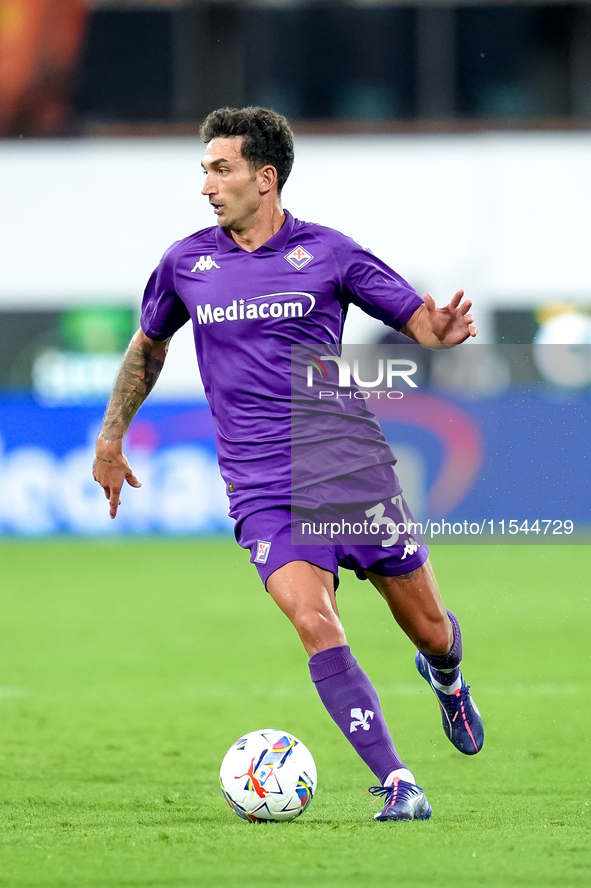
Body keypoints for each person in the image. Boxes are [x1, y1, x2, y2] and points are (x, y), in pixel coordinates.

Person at [93, 106, 484, 822]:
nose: (206, 186)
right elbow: (149, 347)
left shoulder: (329, 253)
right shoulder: (185, 262)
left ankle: (447, 676)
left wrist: (440, 331)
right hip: (262, 485)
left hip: (348, 468)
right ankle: (397, 781)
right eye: (204, 170)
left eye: (220, 169)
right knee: (315, 620)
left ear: (263, 177)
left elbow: (417, 321)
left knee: (429, 630)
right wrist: (111, 438)